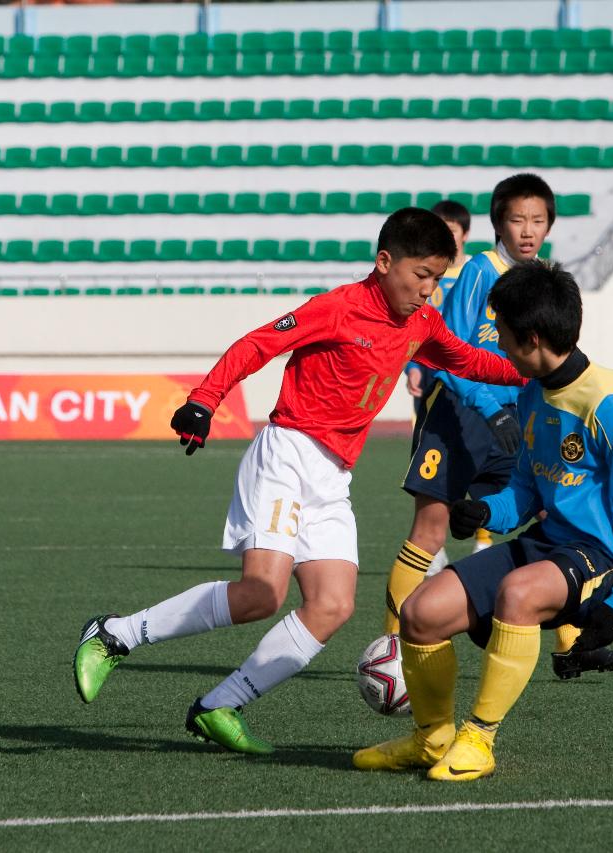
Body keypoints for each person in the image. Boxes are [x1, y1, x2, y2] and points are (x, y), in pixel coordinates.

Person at [72, 208, 525, 753]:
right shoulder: (337, 309)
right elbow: (258, 343)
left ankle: (220, 706)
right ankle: (115, 634)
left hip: (333, 477)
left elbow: (470, 360)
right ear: (385, 263)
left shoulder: (422, 324)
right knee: (262, 593)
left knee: (332, 607)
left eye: (436, 278)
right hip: (287, 455)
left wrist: (538, 368)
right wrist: (203, 400)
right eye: (421, 276)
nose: (429, 291)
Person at [353, 261, 613, 781]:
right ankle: (431, 740)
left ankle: (479, 739)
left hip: (600, 557)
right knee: (421, 613)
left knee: (517, 594)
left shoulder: (610, 404)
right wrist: (486, 512)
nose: (499, 346)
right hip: (547, 544)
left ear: (532, 338)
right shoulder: (533, 391)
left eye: (504, 337)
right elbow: (524, 485)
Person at [380, 174, 589, 674]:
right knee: (429, 532)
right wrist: (488, 407)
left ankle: (571, 642)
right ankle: (391, 649)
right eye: (518, 219)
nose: (527, 230)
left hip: (521, 423)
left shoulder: (545, 281)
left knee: (550, 523)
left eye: (538, 220)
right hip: (459, 418)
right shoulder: (479, 271)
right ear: (499, 223)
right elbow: (448, 354)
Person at [403, 200, 472, 574]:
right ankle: (432, 541)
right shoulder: (427, 274)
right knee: (428, 451)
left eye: (453, 230)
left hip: (465, 371)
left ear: (465, 234)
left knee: (476, 454)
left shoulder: (473, 273)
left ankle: (482, 540)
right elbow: (415, 326)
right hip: (431, 373)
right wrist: (413, 367)